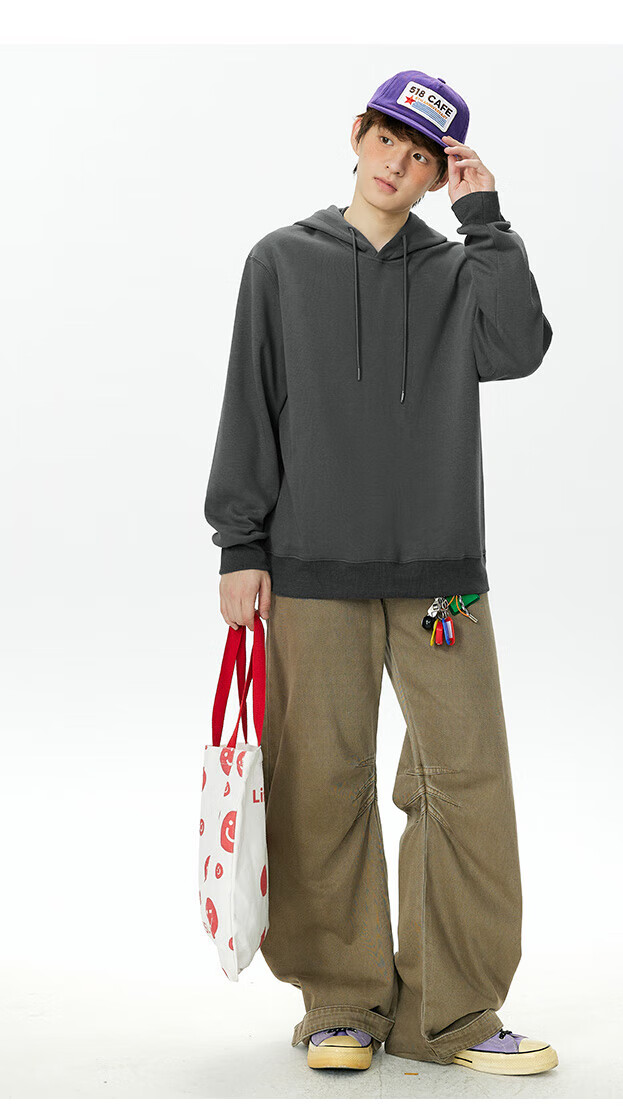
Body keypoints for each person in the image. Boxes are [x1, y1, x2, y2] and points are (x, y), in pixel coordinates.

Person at [204, 70, 558, 1076]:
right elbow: (250, 401)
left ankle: (452, 1012)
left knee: (466, 780)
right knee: (321, 781)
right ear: (357, 135)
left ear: (440, 172)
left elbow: (519, 346)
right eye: (388, 138)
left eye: (423, 154)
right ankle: (340, 1000)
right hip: (310, 569)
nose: (398, 162)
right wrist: (240, 545)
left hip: (441, 573)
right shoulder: (280, 261)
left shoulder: (458, 269)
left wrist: (486, 219)